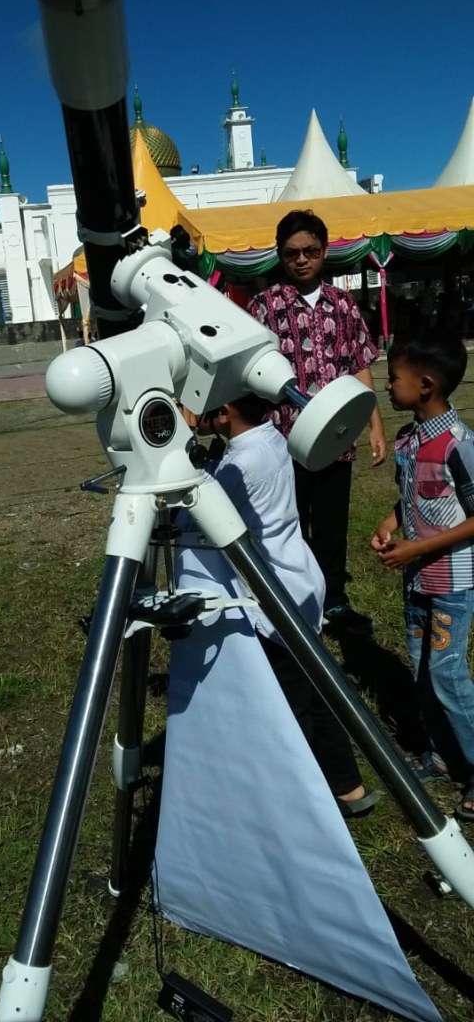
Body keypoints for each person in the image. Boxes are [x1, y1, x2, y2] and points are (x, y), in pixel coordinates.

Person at [183, 393, 379, 817]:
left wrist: (182, 444)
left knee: (291, 708)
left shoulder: (242, 464)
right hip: (299, 579)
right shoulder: (270, 439)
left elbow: (195, 517)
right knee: (318, 689)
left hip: (273, 596)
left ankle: (303, 806)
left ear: (224, 413)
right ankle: (349, 787)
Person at [247, 209, 387, 635]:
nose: (302, 259)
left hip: (336, 437)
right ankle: (293, 601)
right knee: (286, 523)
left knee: (331, 523)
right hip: (284, 439)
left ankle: (334, 601)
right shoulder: (263, 308)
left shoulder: (342, 305)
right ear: (280, 255)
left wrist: (375, 424)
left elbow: (358, 364)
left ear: (324, 251)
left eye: (310, 250)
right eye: (292, 253)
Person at [370, 330, 474, 821]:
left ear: (426, 384)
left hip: (452, 583)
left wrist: (417, 547)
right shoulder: (410, 440)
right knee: (422, 671)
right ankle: (440, 753)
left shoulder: (458, 445)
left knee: (447, 673)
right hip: (418, 581)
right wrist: (391, 523)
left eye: (394, 378)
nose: (387, 385)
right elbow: (411, 496)